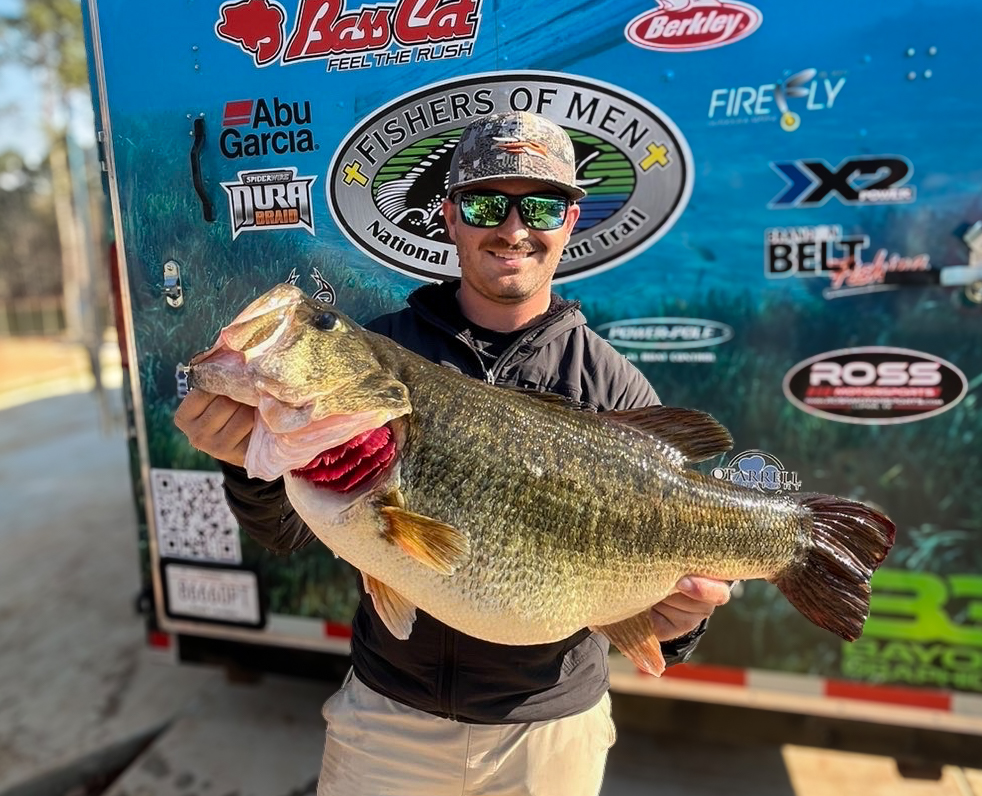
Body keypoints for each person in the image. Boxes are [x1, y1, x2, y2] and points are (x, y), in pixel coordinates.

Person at [175, 110, 732, 796]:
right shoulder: (382, 356)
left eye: (543, 205)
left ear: (572, 220)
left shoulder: (611, 384)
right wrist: (244, 460)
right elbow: (283, 529)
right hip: (386, 717)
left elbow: (662, 590)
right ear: (448, 216)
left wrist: (679, 624)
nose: (513, 227)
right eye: (484, 202)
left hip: (548, 735)